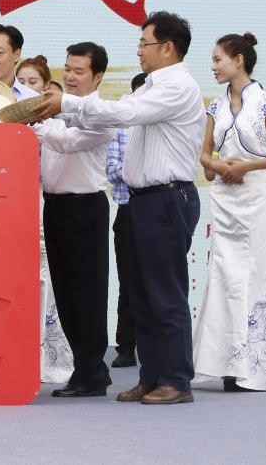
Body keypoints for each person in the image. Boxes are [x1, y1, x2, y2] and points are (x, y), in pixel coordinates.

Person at [34, 11, 204, 405]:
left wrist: (66, 103)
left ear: (168, 47)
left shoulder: (177, 86)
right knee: (140, 295)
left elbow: (123, 115)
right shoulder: (150, 86)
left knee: (165, 293)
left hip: (167, 198)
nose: (139, 51)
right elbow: (124, 110)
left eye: (144, 44)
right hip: (140, 200)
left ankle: (176, 379)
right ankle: (152, 376)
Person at [194, 33, 266, 392]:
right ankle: (226, 363)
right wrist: (219, 166)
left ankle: (256, 366)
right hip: (225, 197)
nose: (213, 66)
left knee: (255, 274)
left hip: (255, 196)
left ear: (238, 59)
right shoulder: (214, 106)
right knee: (224, 275)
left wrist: (248, 166)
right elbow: (204, 155)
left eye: (218, 59)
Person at [35, 43, 114, 397]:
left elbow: (67, 142)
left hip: (85, 208)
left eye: (79, 71)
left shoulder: (101, 115)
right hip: (54, 206)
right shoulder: (56, 110)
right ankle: (87, 369)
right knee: (66, 292)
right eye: (67, 68)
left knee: (87, 292)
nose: (70, 76)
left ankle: (91, 372)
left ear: (97, 77)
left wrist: (36, 126)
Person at [106, 72, 147, 369]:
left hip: (159, 209)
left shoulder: (166, 125)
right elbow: (112, 170)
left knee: (157, 282)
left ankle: (153, 345)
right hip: (128, 210)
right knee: (128, 281)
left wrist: (135, 170)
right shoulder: (121, 128)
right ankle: (126, 346)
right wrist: (144, 171)